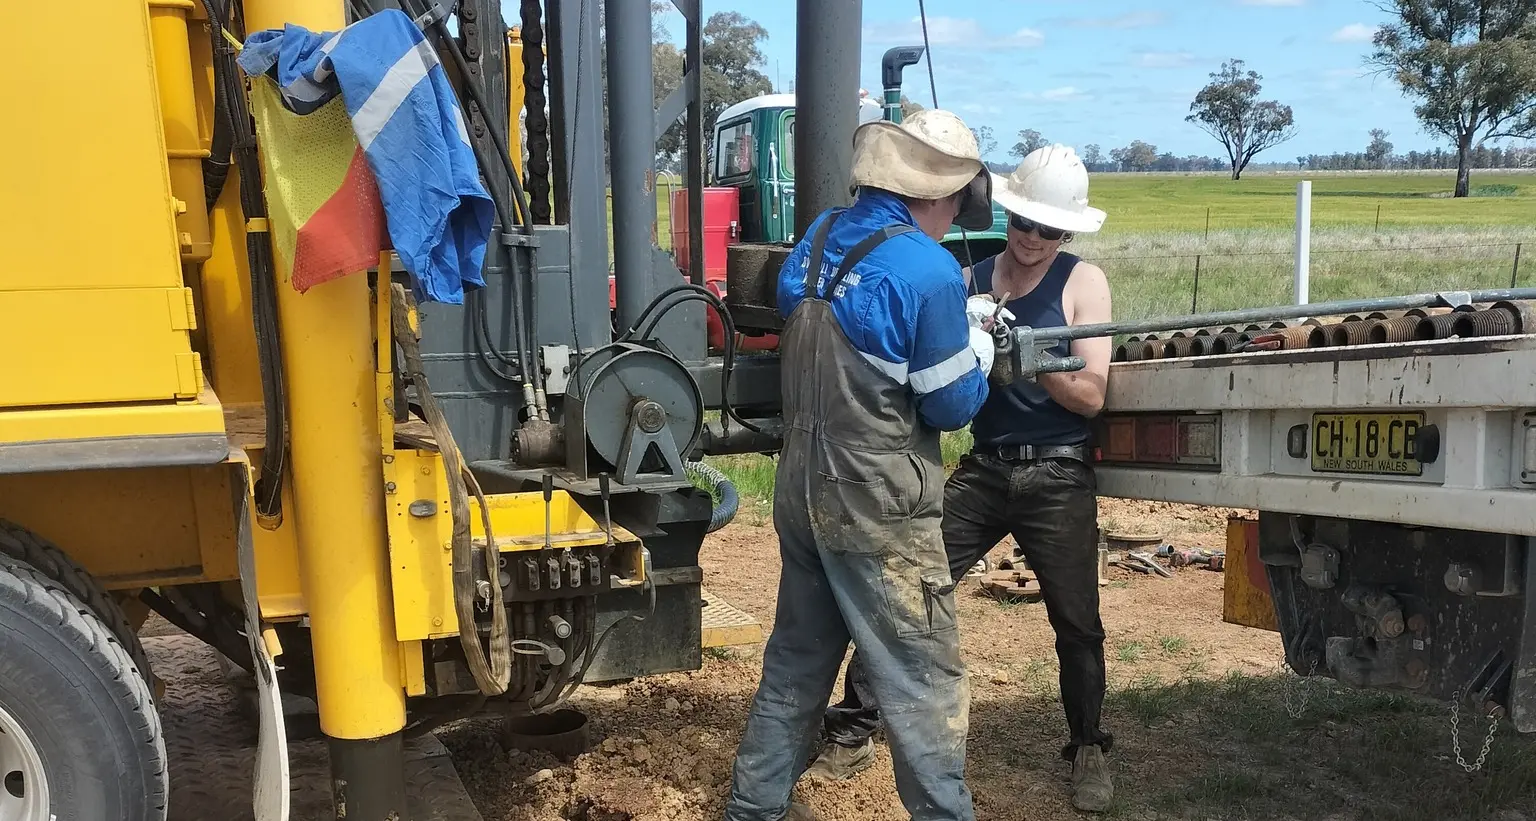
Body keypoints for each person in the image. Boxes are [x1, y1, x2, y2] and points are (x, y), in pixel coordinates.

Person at [803, 144, 1117, 814]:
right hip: (985, 464)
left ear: (1068, 233)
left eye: (1050, 230)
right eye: (1025, 224)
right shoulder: (965, 277)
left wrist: (1027, 357)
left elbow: (1092, 393)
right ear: (1008, 214)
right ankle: (857, 725)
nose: (1033, 240)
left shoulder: (1082, 282)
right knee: (905, 588)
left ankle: (1088, 745)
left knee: (1076, 619)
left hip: (1058, 468)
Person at [722, 109, 998, 821]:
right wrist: (979, 350)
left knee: (796, 664)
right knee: (922, 679)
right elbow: (951, 406)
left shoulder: (816, 240)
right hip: (878, 508)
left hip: (803, 487)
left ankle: (753, 809)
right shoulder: (930, 271)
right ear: (939, 195)